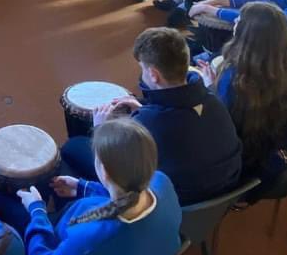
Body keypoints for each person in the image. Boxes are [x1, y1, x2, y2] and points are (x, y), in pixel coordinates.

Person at [13, 119, 182, 255]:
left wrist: (37, 210)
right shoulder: (162, 182)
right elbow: (131, 196)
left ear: (105, 172)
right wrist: (83, 187)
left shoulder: (87, 243)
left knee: (10, 209)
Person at [61, 27, 241, 205]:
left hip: (177, 202)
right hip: (224, 194)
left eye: (143, 68)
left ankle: (88, 196)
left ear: (154, 75)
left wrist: (101, 128)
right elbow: (182, 122)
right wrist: (145, 108)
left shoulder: (147, 122)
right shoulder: (214, 100)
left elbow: (115, 167)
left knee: (73, 146)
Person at [199, 2, 287, 183]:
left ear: (249, 34)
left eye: (239, 20)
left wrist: (209, 86)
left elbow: (219, 120)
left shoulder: (235, 78)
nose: (235, 22)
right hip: (266, 148)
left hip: (236, 157)